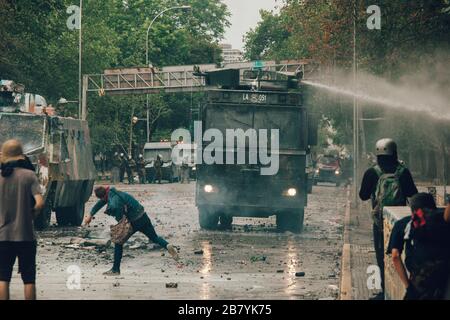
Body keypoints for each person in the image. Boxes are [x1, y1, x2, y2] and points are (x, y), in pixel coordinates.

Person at [359, 138, 418, 299]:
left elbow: (363, 196)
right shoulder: (403, 172)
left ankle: (385, 292)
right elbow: (413, 194)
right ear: (395, 152)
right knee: (400, 255)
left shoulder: (372, 172)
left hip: (380, 223)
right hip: (400, 224)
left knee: (381, 256)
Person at [83, 186, 179, 275]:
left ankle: (115, 269)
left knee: (118, 242)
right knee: (154, 237)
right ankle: (167, 245)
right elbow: (100, 203)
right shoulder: (113, 193)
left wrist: (119, 222)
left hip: (133, 222)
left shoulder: (114, 200)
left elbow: (116, 208)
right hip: (143, 216)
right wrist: (91, 214)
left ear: (103, 196)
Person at [0, 139, 44, 300]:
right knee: (29, 278)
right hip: (26, 236)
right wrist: (31, 215)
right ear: (21, 156)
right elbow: (40, 202)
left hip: (2, 237)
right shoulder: (29, 176)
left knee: (3, 277)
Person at [387, 193, 450, 300]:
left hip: (418, 285)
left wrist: (408, 287)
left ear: (413, 209)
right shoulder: (442, 220)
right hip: (443, 282)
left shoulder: (402, 224)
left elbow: (395, 256)